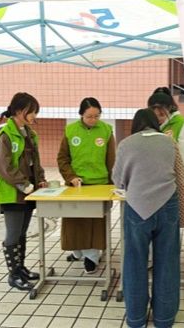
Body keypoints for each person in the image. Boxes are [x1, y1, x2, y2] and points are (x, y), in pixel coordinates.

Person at [112, 108, 184, 328]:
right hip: (168, 205)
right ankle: (164, 319)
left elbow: (117, 179)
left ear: (135, 125)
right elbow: (179, 173)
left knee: (135, 261)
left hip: (137, 206)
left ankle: (136, 319)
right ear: (156, 123)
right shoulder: (169, 142)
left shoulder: (126, 144)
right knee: (167, 261)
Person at [0, 92, 47, 291]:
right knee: (13, 234)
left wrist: (40, 180)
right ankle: (13, 275)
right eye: (32, 112)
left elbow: (35, 162)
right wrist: (24, 184)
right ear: (20, 111)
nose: (35, 116)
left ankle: (21, 269)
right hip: (13, 192)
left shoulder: (29, 133)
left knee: (22, 233)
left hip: (28, 191)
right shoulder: (6, 134)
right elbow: (3, 166)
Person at [57, 97, 116, 274]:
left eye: (97, 116)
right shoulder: (70, 130)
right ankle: (77, 252)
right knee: (74, 221)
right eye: (89, 116)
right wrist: (71, 177)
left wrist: (113, 183)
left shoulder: (106, 130)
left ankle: (92, 256)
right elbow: (63, 158)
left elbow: (111, 159)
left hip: (100, 184)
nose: (93, 120)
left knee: (95, 223)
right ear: (81, 114)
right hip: (77, 185)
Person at [147, 87, 184, 171]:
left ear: (170, 108)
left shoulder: (181, 123)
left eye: (161, 114)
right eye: (154, 115)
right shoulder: (147, 123)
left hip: (174, 174)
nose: (158, 118)